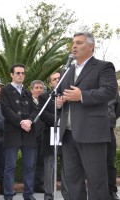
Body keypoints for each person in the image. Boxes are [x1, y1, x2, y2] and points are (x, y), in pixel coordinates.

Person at [56, 31, 118, 200]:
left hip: (92, 133)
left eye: (79, 42)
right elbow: (62, 94)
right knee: (73, 180)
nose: (74, 46)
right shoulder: (66, 70)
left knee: (96, 180)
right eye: (73, 43)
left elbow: (109, 91)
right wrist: (60, 102)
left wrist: (82, 95)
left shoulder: (103, 66)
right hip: (68, 133)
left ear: (91, 46)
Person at [0, 64, 38, 200]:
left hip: (29, 133)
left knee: (29, 166)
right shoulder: (5, 90)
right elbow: (5, 109)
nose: (21, 75)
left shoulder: (28, 92)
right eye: (18, 73)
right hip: (13, 133)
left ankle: (28, 194)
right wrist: (21, 122)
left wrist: (30, 121)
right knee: (10, 167)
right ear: (11, 74)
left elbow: (35, 109)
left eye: (22, 73)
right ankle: (8, 195)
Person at [38, 72, 68, 200]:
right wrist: (60, 121)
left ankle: (67, 194)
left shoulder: (69, 95)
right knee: (49, 165)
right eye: (54, 79)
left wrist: (64, 122)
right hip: (50, 133)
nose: (57, 80)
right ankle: (49, 194)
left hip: (67, 134)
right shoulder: (44, 97)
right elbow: (42, 113)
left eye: (59, 78)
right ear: (50, 83)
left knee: (67, 165)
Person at [30, 80, 45, 194]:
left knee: (41, 162)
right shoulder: (29, 102)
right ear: (31, 90)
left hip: (43, 136)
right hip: (31, 137)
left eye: (41, 88)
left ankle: (39, 185)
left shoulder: (46, 103)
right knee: (31, 162)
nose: (39, 90)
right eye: (36, 88)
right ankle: (30, 185)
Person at [107, 93, 120, 200]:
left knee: (110, 162)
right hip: (91, 128)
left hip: (108, 129)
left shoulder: (113, 92)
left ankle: (111, 191)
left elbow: (117, 110)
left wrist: (110, 119)